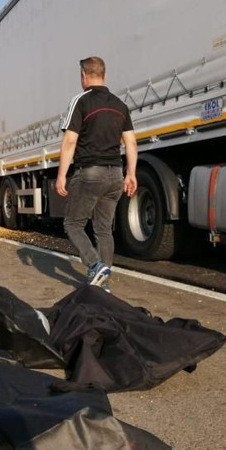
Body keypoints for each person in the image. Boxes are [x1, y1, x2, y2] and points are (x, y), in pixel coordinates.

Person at [55, 56, 138, 290]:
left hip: (90, 173)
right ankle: (103, 285)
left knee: (73, 224)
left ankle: (94, 265)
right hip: (115, 174)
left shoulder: (81, 101)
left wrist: (61, 175)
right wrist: (131, 173)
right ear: (104, 75)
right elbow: (131, 143)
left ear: (84, 76)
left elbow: (70, 141)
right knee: (103, 229)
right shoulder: (120, 105)